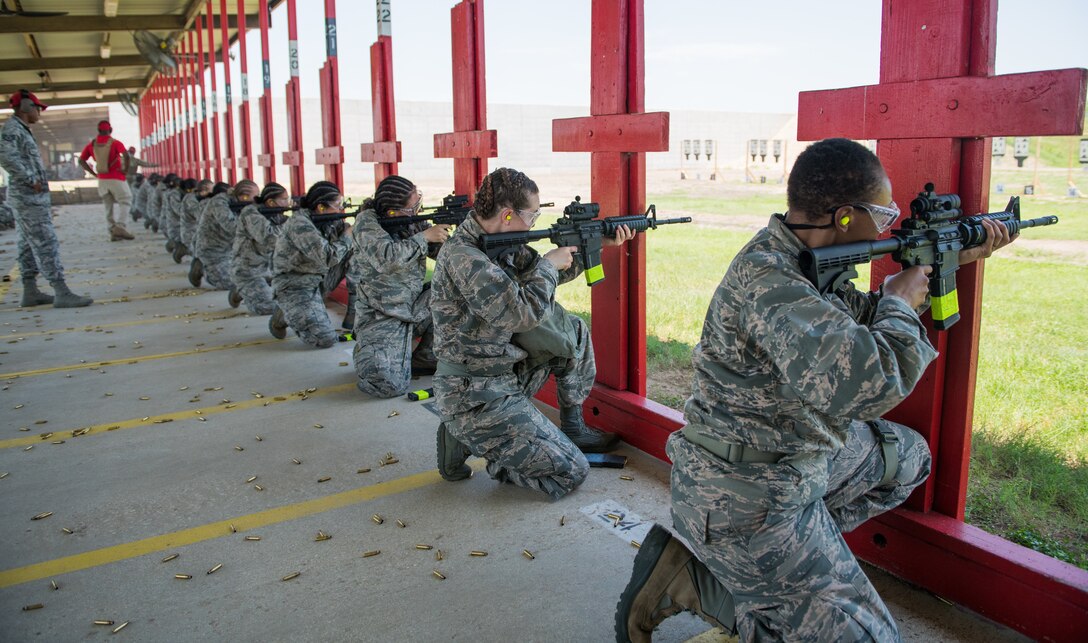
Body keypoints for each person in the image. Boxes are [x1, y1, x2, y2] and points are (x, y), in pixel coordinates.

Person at [613, 138, 1017, 643]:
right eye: (884, 212)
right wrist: (897, 301)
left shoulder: (807, 257)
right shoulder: (772, 280)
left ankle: (786, 571)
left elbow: (846, 329)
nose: (891, 223)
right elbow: (868, 386)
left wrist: (946, 264)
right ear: (846, 217)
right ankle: (703, 582)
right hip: (744, 494)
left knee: (907, 456)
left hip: (793, 456)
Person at [429, 167, 633, 499]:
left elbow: (541, 277)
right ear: (508, 215)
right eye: (532, 215)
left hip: (504, 372)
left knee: (572, 332)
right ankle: (482, 444)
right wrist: (548, 265)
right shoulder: (464, 256)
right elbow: (521, 313)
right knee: (571, 471)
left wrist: (592, 245)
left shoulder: (499, 242)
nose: (534, 223)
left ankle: (570, 426)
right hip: (474, 391)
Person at [348, 175, 449, 397]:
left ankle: (424, 357)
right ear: (392, 211)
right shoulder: (367, 223)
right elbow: (387, 258)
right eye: (412, 207)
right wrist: (424, 237)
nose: (416, 211)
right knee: (387, 386)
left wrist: (454, 238)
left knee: (453, 290)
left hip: (412, 307)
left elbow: (441, 253)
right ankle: (370, 353)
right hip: (382, 315)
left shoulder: (409, 221)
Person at [0, 90, 93, 308]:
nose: (39, 112)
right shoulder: (13, 130)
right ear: (24, 107)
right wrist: (29, 178)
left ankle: (30, 291)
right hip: (28, 197)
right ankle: (61, 291)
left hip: (29, 197)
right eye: (37, 108)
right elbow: (5, 155)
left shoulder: (21, 130)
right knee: (45, 242)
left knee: (27, 245)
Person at [268, 181, 353, 348]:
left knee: (354, 253)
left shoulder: (326, 219)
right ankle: (283, 314)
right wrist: (347, 237)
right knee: (325, 340)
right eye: (337, 205)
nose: (341, 210)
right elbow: (328, 257)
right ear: (321, 207)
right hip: (294, 284)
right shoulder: (300, 224)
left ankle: (353, 312)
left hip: (318, 279)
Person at [230, 182, 290, 315]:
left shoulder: (276, 214)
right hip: (248, 271)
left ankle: (244, 290)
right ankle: (241, 288)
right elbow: (270, 238)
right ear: (271, 202)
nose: (288, 203)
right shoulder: (251, 213)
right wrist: (294, 223)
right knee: (269, 308)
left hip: (268, 270)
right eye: (284, 199)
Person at [77, 119, 135, 241]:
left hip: (102, 180)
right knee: (126, 200)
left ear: (98, 130)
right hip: (116, 178)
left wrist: (93, 173)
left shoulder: (91, 145)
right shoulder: (115, 143)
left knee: (108, 206)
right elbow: (126, 155)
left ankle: (112, 231)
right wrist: (125, 170)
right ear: (110, 130)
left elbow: (81, 160)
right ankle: (120, 226)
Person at [194, 179, 256, 291]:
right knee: (233, 284)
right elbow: (232, 227)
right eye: (255, 197)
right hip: (213, 252)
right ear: (244, 197)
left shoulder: (238, 202)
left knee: (260, 276)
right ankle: (202, 269)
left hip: (232, 251)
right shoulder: (219, 202)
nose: (257, 201)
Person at [188, 181, 229, 287]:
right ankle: (202, 269)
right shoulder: (214, 205)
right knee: (231, 283)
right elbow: (232, 228)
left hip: (223, 248)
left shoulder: (211, 203)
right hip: (211, 249)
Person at [176, 178, 211, 264]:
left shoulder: (194, 197)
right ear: (204, 190)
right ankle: (187, 251)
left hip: (196, 232)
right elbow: (199, 215)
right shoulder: (191, 198)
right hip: (191, 233)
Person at [159, 173, 182, 253]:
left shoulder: (167, 192)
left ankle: (174, 242)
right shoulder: (173, 194)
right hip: (172, 226)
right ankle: (174, 243)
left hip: (167, 224)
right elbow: (179, 211)